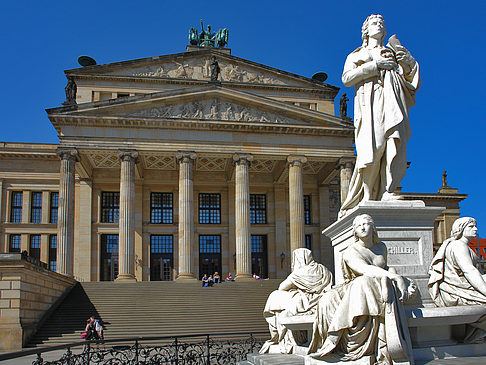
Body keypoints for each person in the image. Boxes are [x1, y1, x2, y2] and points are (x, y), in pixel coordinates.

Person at [339, 14, 420, 215]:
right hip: (369, 103)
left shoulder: (391, 53)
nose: (379, 25)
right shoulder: (356, 55)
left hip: (392, 101)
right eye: (375, 23)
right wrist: (375, 66)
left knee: (394, 142)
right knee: (373, 148)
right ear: (365, 31)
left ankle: (388, 190)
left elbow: (409, 79)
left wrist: (407, 61)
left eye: (382, 23)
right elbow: (347, 78)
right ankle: (367, 195)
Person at [308, 214, 414, 364]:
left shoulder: (381, 247)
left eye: (366, 224)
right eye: (359, 226)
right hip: (355, 286)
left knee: (365, 284)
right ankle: (337, 340)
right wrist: (395, 278)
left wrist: (393, 274)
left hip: (374, 284)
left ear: (373, 227)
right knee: (358, 285)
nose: (363, 228)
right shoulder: (351, 251)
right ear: (355, 232)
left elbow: (386, 267)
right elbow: (364, 269)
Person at [260, 248, 332, 354]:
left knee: (275, 296)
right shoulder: (323, 270)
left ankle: (284, 338)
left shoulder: (299, 273)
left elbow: (282, 287)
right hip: (322, 299)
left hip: (304, 302)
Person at [428, 217, 486, 342]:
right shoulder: (458, 246)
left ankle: (477, 335)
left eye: (475, 226)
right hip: (455, 290)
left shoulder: (464, 246)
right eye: (470, 226)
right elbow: (469, 271)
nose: (475, 229)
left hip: (461, 287)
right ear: (460, 229)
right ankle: (476, 335)